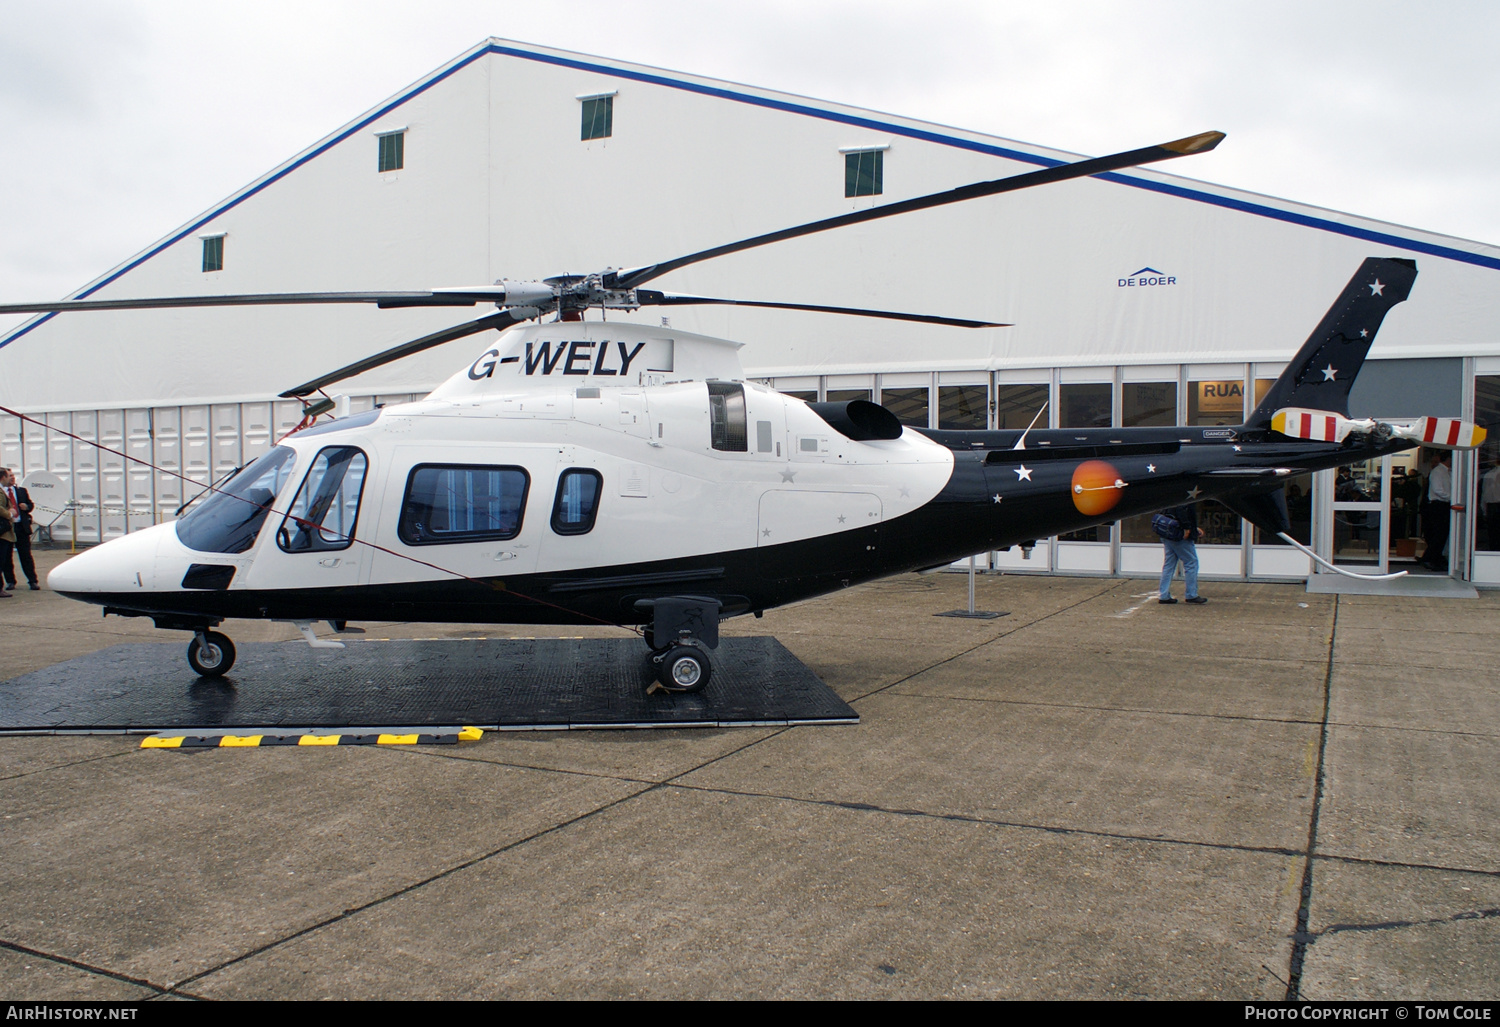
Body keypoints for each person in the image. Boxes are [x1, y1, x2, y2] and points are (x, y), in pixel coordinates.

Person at [1159, 502, 1207, 605]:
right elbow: (1182, 510)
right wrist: (1188, 528)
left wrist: (1193, 528)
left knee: (1169, 564)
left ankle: (1164, 595)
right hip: (1180, 534)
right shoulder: (1186, 496)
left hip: (1168, 532)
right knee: (1191, 563)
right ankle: (1191, 594)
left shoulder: (1171, 495)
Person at [0, 468, 38, 591]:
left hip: (21, 527)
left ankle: (33, 580)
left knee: (26, 555)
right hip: (7, 529)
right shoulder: (2, 492)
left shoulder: (21, 491)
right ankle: (10, 581)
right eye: (9, 475)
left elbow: (30, 504)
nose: (12, 478)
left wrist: (27, 507)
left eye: (13, 475)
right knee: (6, 557)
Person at [1421, 450, 1453, 572]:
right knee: (1438, 533)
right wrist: (1451, 497)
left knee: (1442, 534)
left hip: (1444, 505)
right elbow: (1438, 490)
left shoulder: (1447, 472)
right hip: (1438, 505)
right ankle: (1430, 558)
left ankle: (1435, 557)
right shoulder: (1438, 472)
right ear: (1448, 459)